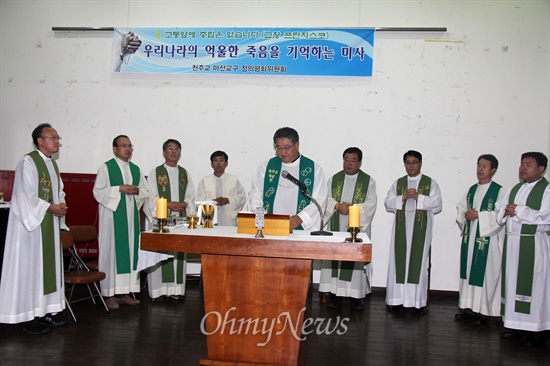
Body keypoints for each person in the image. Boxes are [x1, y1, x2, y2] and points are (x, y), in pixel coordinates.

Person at [0, 123, 68, 334]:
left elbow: (59, 191)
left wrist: (61, 205)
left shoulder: (52, 165)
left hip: (47, 224)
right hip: (30, 230)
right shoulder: (28, 162)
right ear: (39, 140)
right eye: (52, 137)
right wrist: (50, 206)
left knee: (45, 272)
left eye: (58, 137)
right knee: (30, 271)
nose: (57, 141)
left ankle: (44, 312)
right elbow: (23, 196)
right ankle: (26, 316)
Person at [496, 152, 550, 346]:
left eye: (528, 164)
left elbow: (546, 217)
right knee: (512, 284)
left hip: (533, 243)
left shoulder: (547, 190)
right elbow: (498, 211)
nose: (523, 168)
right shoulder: (514, 188)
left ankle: (537, 330)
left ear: (541, 169)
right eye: (521, 164)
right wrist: (505, 210)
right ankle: (516, 325)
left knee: (535, 286)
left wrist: (518, 210)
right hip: (513, 243)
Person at [93, 135, 149, 310]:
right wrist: (119, 189)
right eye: (123, 146)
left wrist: (136, 190)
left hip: (130, 218)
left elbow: (145, 191)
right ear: (115, 148)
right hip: (112, 219)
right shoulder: (106, 168)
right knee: (111, 254)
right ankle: (109, 294)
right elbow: (98, 192)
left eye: (130, 146)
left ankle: (125, 292)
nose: (127, 149)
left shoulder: (136, 169)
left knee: (130, 253)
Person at [384, 150, 442, 313]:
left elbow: (438, 204)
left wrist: (419, 197)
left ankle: (417, 302)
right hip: (400, 232)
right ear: (404, 165)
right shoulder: (399, 183)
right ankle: (396, 300)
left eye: (414, 162)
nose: (411, 165)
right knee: (398, 263)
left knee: (419, 264)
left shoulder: (431, 183)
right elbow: (388, 202)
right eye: (408, 162)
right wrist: (402, 197)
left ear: (420, 164)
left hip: (420, 233)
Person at [319, 147, 377, 310]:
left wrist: (353, 207)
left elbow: (371, 204)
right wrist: (337, 205)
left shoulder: (368, 182)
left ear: (359, 162)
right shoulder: (334, 179)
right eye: (346, 159)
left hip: (356, 227)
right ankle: (334, 295)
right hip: (336, 224)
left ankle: (356, 297)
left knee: (354, 259)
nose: (349, 163)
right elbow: (325, 199)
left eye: (353, 160)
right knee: (335, 257)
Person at [455, 154, 505, 325]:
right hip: (470, 240)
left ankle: (484, 312)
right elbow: (461, 208)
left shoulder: (499, 191)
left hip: (487, 242)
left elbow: (501, 215)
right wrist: (465, 214)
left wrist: (480, 216)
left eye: (484, 166)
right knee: (468, 273)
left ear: (493, 169)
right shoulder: (472, 189)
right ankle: (468, 309)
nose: (480, 169)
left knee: (485, 275)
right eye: (478, 165)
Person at [145, 139, 195, 302]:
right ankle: (158, 291)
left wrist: (185, 204)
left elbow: (190, 194)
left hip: (180, 220)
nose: (174, 152)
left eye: (177, 149)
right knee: (161, 254)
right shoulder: (155, 173)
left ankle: (176, 290)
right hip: (162, 220)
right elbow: (151, 196)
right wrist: (168, 205)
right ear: (164, 152)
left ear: (180, 153)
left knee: (177, 254)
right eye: (170, 149)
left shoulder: (184, 173)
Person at [248, 127, 327, 230]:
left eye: (287, 147)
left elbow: (320, 199)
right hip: (270, 226)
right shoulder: (267, 167)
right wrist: (259, 212)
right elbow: (256, 192)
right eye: (278, 148)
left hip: (300, 229)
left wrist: (301, 217)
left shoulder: (314, 169)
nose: (283, 152)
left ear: (297, 145)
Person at [196, 150, 246, 226]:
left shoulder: (234, 180)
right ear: (212, 164)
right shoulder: (204, 181)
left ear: (226, 163)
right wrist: (213, 201)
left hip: (228, 219)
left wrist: (228, 200)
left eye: (221, 160)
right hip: (209, 219)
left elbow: (242, 197)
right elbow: (199, 201)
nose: (218, 163)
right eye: (215, 160)